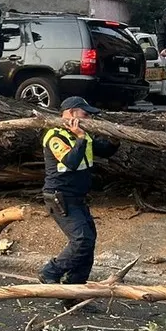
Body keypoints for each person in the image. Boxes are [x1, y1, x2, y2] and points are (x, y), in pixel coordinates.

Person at [37, 96, 119, 287]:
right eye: (85, 114)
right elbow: (70, 162)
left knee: (88, 243)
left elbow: (104, 150)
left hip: (78, 198)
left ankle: (75, 288)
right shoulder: (55, 136)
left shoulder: (84, 135)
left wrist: (114, 141)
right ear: (71, 113)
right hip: (59, 197)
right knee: (82, 240)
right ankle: (50, 271)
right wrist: (80, 138)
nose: (89, 118)